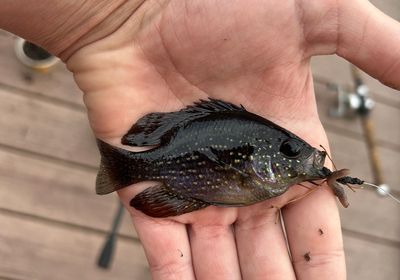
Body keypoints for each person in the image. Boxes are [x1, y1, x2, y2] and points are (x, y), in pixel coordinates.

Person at [1, 1, 399, 279]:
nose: (306, 155)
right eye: (290, 149)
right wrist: (118, 15)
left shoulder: (272, 176)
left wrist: (113, 17)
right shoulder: (266, 178)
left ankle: (124, 166)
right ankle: (124, 165)